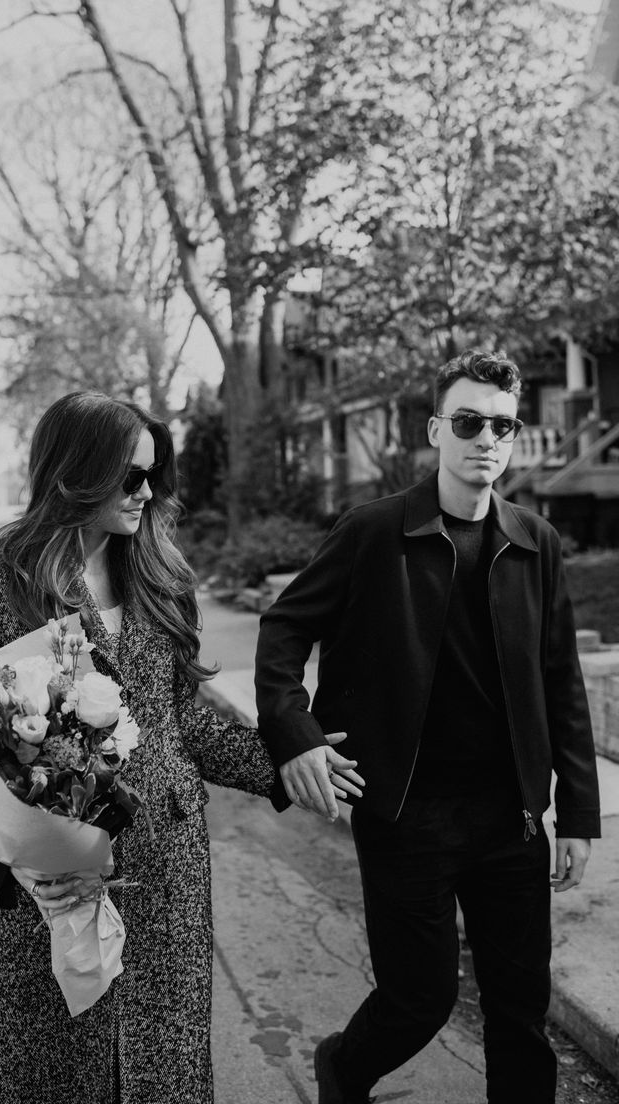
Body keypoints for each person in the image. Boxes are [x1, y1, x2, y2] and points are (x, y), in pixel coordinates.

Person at [0, 391, 362, 1104]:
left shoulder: (162, 576)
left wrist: (284, 760)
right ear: (77, 473)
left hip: (167, 879)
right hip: (51, 893)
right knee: (48, 1078)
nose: (148, 492)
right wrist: (14, 865)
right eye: (131, 477)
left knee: (161, 1078)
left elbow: (184, 725)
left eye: (154, 474)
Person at [255, 350, 601, 1104]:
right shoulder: (373, 532)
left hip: (510, 818)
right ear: (436, 430)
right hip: (407, 815)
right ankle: (344, 1069)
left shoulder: (535, 541)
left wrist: (574, 812)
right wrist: (296, 733)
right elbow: (284, 630)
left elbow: (561, 684)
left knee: (520, 1012)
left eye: (502, 425)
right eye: (470, 421)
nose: (487, 439)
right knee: (420, 999)